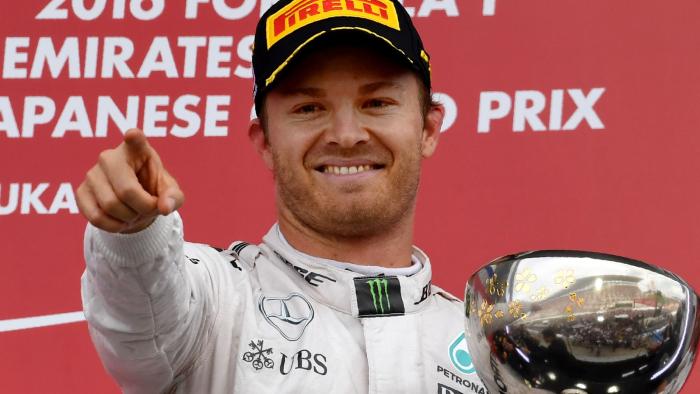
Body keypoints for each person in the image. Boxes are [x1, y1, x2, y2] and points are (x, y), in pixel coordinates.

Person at [78, 0, 486, 392]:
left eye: (377, 103)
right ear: (266, 143)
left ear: (428, 130)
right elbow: (140, 302)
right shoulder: (212, 302)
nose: (346, 135)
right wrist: (134, 232)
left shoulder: (489, 348)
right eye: (309, 108)